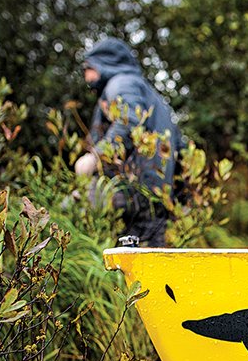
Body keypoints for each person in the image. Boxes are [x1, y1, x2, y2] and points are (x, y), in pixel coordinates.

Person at [74, 37, 183, 246]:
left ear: (104, 64)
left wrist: (94, 158)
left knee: (128, 257)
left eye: (88, 67)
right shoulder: (146, 91)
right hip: (156, 191)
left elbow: (129, 122)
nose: (86, 75)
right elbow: (178, 143)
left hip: (134, 191)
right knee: (150, 258)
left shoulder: (121, 84)